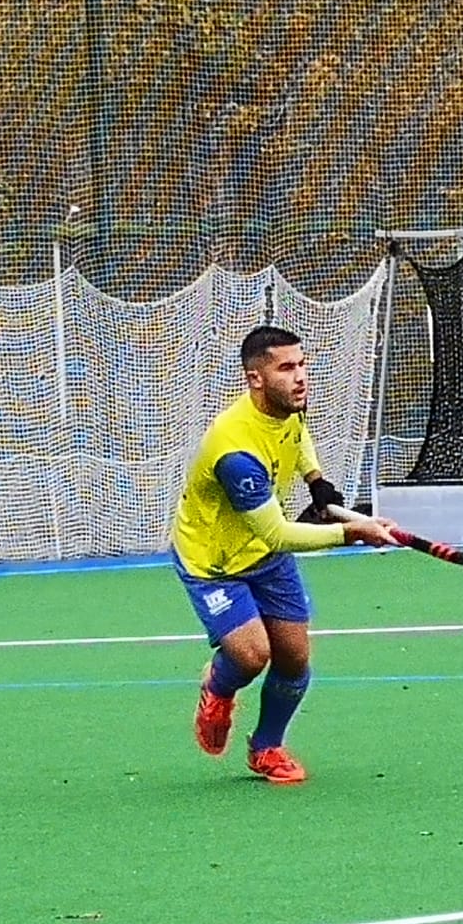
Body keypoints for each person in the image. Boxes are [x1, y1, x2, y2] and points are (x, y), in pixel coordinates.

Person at [171, 324, 402, 784]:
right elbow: (277, 534)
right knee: (251, 655)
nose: (300, 378)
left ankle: (266, 748)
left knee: (294, 658)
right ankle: (218, 686)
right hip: (214, 562)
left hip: (263, 553)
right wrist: (351, 534)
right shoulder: (236, 452)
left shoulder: (288, 406)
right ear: (256, 378)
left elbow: (297, 436)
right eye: (286, 368)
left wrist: (316, 480)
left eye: (302, 365)